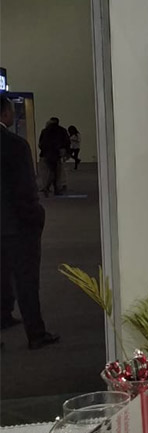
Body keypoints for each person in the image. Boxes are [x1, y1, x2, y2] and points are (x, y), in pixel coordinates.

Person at [0, 95, 59, 348]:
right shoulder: (15, 145)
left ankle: (3, 316)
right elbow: (24, 189)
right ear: (5, 113)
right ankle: (36, 333)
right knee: (26, 279)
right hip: (16, 225)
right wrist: (36, 217)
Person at [37, 117, 69, 196]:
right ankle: (51, 188)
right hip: (57, 154)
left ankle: (50, 188)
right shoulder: (62, 130)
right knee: (55, 173)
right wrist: (66, 152)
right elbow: (67, 142)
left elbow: (41, 143)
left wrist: (44, 150)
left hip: (46, 154)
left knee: (51, 172)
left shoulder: (45, 131)